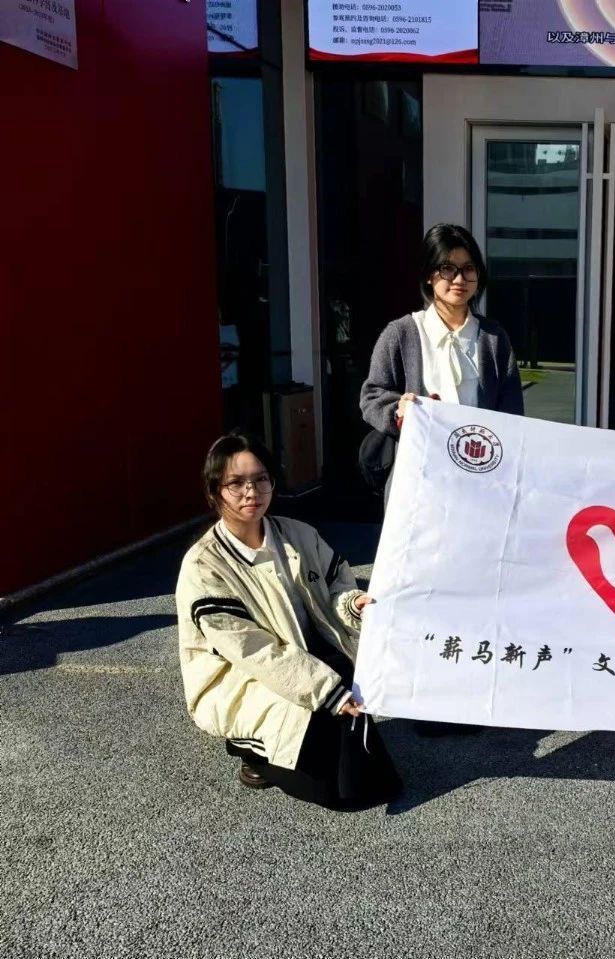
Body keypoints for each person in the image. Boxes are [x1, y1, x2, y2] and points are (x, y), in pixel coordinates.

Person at [176, 434, 402, 810]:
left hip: (307, 657)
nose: (251, 491)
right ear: (215, 491)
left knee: (373, 783)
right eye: (236, 483)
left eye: (261, 479)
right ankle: (249, 751)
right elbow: (254, 651)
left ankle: (311, 733)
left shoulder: (297, 534)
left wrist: (352, 604)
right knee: (338, 791)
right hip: (244, 678)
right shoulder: (204, 566)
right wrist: (326, 691)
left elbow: (337, 585)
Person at [359, 222, 524, 502]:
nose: (459, 279)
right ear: (429, 275)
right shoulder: (402, 334)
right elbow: (372, 396)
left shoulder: (494, 339)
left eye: (469, 268)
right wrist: (398, 409)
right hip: (418, 486)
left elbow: (512, 415)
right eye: (448, 268)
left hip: (480, 484)